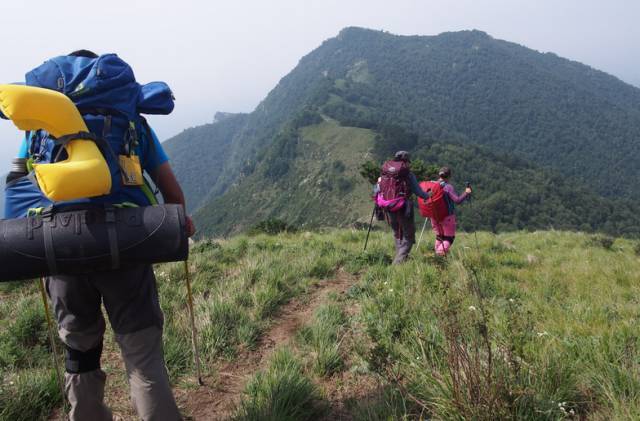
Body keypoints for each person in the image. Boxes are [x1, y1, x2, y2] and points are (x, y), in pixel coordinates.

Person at [12, 50, 194, 421]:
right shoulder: (131, 123)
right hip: (126, 243)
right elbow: (171, 191)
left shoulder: (39, 128)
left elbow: (17, 193)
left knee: (79, 355)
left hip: (60, 249)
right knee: (141, 354)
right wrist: (179, 223)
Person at [375, 151, 431, 264]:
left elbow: (376, 190)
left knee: (397, 233)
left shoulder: (385, 173)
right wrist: (428, 195)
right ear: (406, 162)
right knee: (408, 235)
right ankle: (398, 264)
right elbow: (418, 192)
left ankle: (401, 257)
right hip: (403, 208)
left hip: (388, 207)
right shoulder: (408, 174)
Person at [431, 166, 471, 256]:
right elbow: (457, 200)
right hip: (447, 217)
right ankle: (439, 255)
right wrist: (466, 193)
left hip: (433, 216)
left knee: (439, 236)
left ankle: (436, 255)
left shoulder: (432, 185)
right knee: (449, 238)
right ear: (449, 176)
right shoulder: (448, 187)